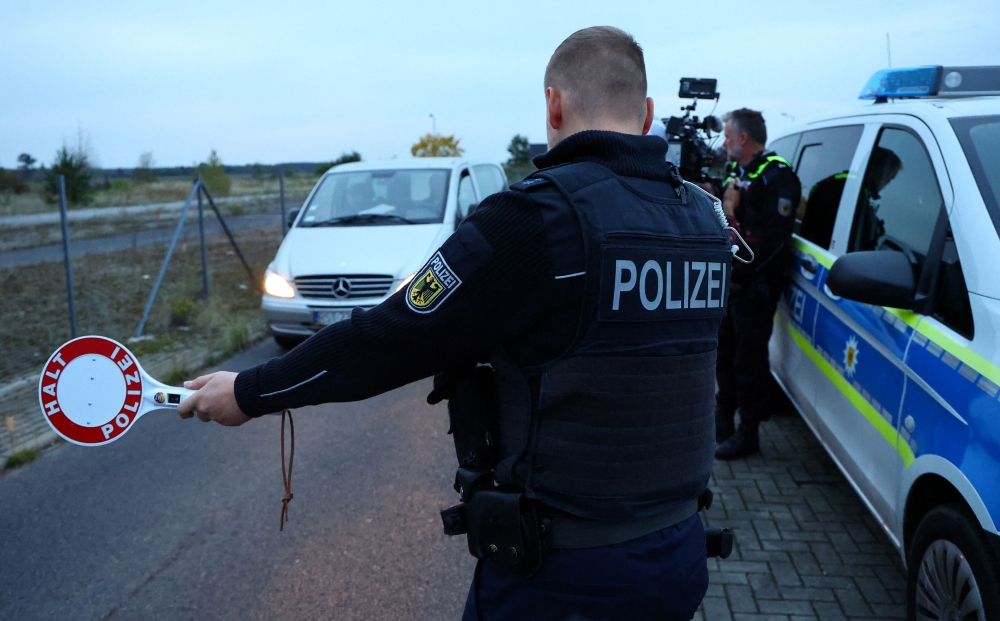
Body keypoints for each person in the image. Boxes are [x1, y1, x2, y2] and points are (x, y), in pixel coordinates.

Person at [178, 26, 731, 620]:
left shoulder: (537, 217)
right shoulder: (704, 218)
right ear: (646, 114)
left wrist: (251, 391)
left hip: (566, 579)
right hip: (679, 559)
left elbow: (393, 337)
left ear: (553, 105)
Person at [714, 109, 802, 460]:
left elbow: (774, 240)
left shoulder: (778, 176)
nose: (724, 143)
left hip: (756, 285)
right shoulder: (738, 172)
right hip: (733, 282)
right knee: (724, 354)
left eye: (727, 136)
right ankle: (722, 420)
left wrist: (738, 277)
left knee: (748, 360)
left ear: (743, 138)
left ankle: (748, 432)